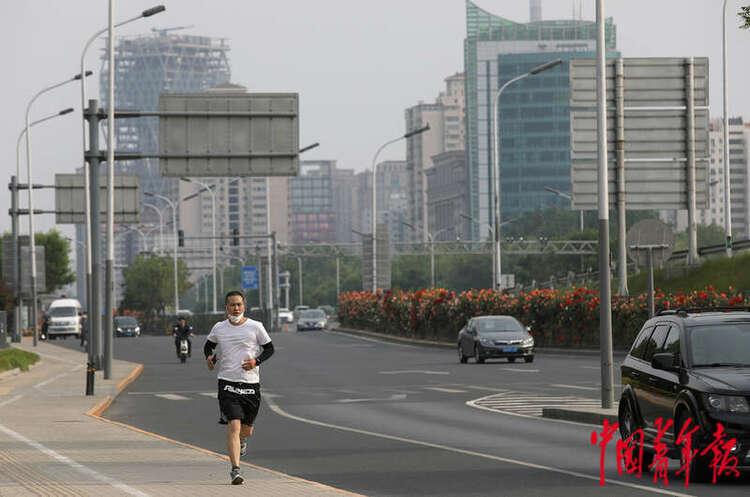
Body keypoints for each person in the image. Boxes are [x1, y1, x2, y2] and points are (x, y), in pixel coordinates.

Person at [204, 291, 274, 485]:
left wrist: (256, 361)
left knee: (247, 430)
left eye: (239, 305)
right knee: (233, 425)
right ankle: (235, 469)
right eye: (232, 305)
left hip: (251, 384)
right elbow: (208, 346)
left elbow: (270, 348)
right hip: (227, 383)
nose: (236, 308)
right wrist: (209, 358)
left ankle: (243, 441)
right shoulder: (219, 328)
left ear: (244, 306)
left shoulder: (255, 327)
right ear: (226, 307)